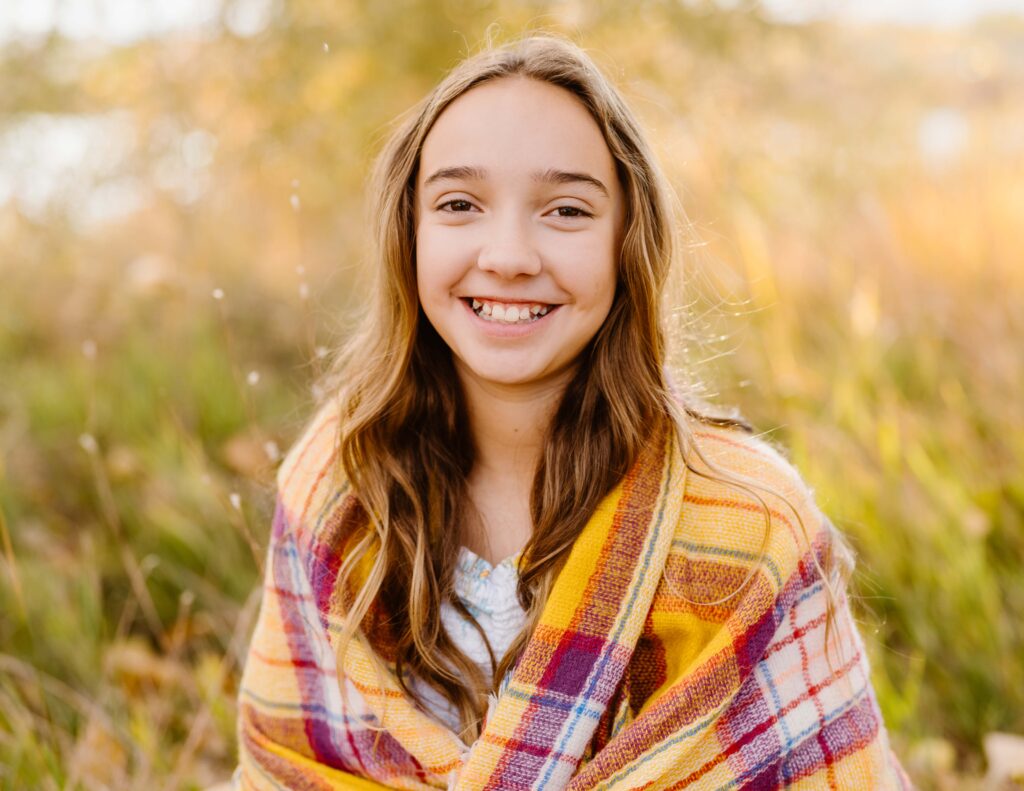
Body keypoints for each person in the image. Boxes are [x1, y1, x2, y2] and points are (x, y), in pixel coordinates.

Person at [232, 33, 911, 790]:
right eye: (460, 204)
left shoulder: (748, 519)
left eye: (565, 210)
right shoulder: (336, 487)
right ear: (409, 234)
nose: (510, 254)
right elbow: (286, 762)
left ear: (627, 240)